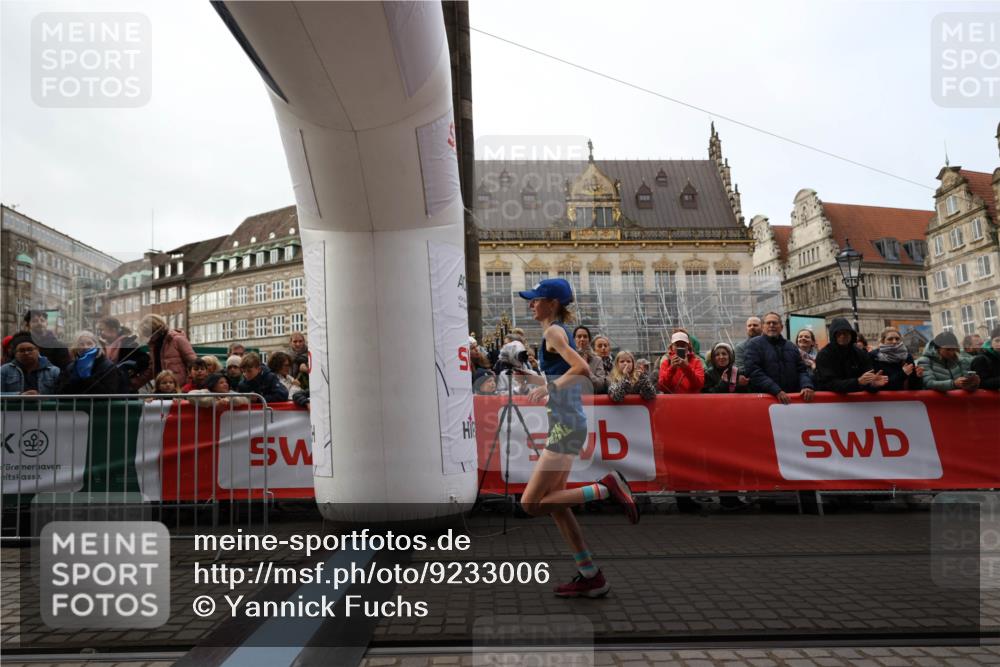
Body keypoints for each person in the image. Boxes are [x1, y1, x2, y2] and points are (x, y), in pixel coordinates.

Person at [515, 278, 638, 599]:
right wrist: (536, 379)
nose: (531, 304)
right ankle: (590, 576)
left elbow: (581, 367)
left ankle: (604, 487)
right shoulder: (554, 333)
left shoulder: (553, 331)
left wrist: (549, 388)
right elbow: (563, 373)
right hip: (568, 420)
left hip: (566, 423)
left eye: (536, 299)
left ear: (552, 303)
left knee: (530, 504)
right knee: (556, 505)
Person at [743, 312, 815, 405]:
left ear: (781, 327)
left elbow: (801, 370)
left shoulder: (791, 346)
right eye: (768, 323)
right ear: (763, 327)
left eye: (775, 323)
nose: (771, 325)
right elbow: (753, 371)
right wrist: (776, 390)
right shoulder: (753, 345)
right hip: (766, 402)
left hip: (793, 401)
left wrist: (806, 385)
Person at [815, 318, 888, 394]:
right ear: (833, 336)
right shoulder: (824, 355)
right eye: (839, 334)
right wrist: (858, 382)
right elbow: (829, 383)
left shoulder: (860, 353)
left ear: (851, 335)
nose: (842, 336)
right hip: (830, 402)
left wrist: (873, 385)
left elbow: (868, 377)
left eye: (846, 333)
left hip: (858, 402)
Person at [57, 331, 127, 395]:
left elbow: (109, 392)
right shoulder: (70, 368)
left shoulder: (108, 367)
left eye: (89, 343)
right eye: (81, 344)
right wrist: (74, 378)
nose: (85, 347)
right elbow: (61, 392)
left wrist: (87, 378)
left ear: (96, 346)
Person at [139, 314, 198, 388]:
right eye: (147, 335)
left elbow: (194, 363)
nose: (150, 337)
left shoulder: (177, 339)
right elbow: (152, 369)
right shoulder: (153, 345)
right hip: (162, 388)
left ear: (157, 329)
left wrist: (188, 385)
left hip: (180, 388)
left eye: (150, 333)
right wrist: (134, 384)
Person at [98, 317, 150, 393]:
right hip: (109, 388)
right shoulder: (102, 345)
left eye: (103, 329)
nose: (101, 333)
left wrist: (133, 381)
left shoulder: (131, 344)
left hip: (126, 390)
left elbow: (145, 361)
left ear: (113, 330)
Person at [870, 326, 924, 391]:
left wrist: (918, 377)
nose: (894, 341)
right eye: (890, 339)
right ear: (882, 341)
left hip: (905, 399)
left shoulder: (907, 356)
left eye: (897, 339)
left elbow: (914, 387)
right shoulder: (873, 356)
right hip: (882, 400)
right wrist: (903, 374)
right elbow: (873, 386)